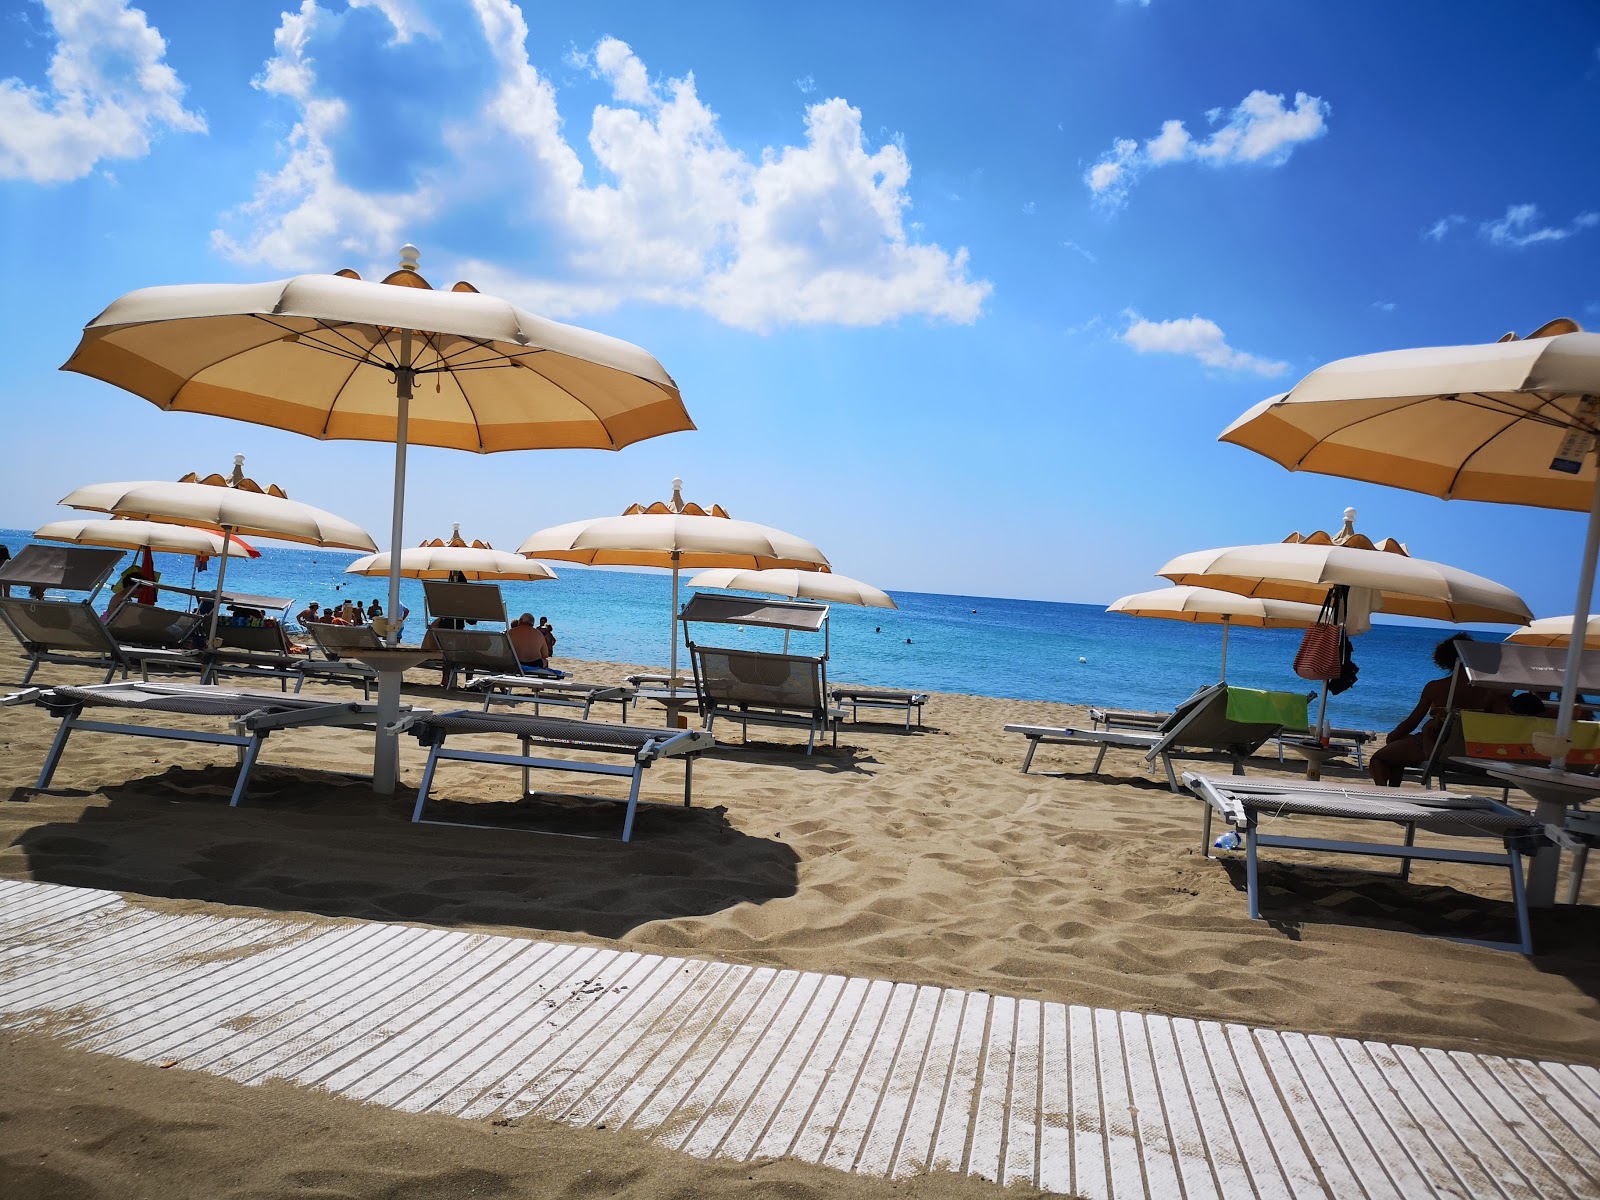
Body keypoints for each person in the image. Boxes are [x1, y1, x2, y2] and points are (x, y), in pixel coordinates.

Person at [1369, 633, 1509, 786]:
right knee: (1398, 749)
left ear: (1446, 659)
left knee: (1379, 758)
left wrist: (1393, 736)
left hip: (1434, 747)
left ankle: (1387, 794)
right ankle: (1393, 793)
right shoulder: (1489, 691)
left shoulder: (1435, 688)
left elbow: (1412, 722)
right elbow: (1495, 723)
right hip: (1469, 750)